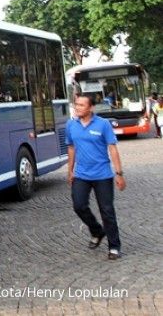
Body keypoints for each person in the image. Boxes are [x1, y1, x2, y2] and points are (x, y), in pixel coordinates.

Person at [66, 93, 126, 260]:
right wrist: (70, 170)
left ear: (91, 108)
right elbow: (71, 148)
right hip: (81, 175)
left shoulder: (103, 124)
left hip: (102, 175)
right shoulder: (71, 125)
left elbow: (112, 148)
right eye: (76, 104)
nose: (77, 108)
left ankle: (114, 246)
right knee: (79, 206)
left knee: (107, 210)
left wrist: (119, 173)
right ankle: (97, 231)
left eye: (81, 105)